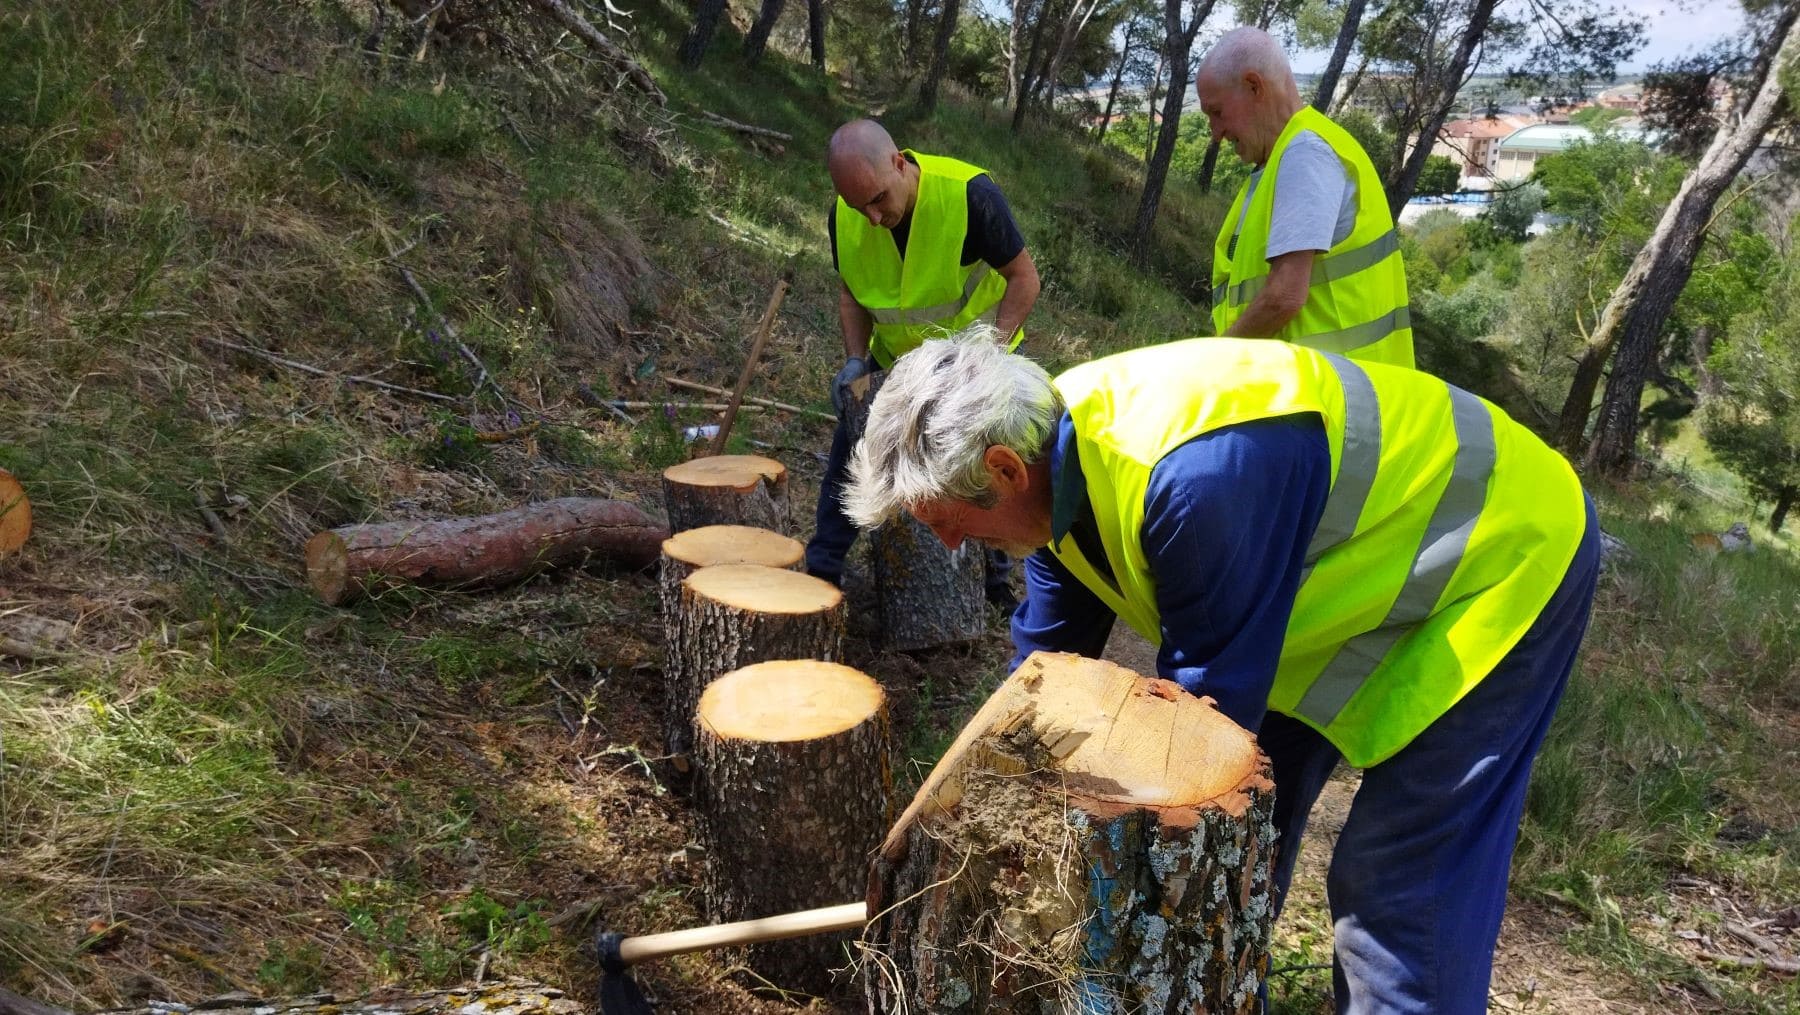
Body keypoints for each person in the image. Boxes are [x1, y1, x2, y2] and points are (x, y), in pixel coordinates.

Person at [842, 328, 1600, 1015]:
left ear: (1003, 469)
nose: (948, 547)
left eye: (945, 522)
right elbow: (1037, 678)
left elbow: (1199, 731)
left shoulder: (1190, 481)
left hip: (1498, 558)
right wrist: (962, 812)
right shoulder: (1050, 461)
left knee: (1396, 887)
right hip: (1352, 589)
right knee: (1245, 851)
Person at [807, 118, 1041, 608]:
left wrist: (987, 358)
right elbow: (851, 292)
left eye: (877, 200)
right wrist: (855, 360)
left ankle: (995, 586)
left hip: (975, 365)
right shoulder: (846, 215)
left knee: (982, 475)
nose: (871, 216)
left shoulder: (969, 195)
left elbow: (1023, 278)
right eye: (858, 207)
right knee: (853, 457)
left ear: (899, 163)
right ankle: (821, 571)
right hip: (897, 359)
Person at [1197, 27, 1413, 368]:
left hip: (1330, 402)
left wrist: (1213, 365)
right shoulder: (1282, 158)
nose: (1215, 132)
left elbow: (1284, 296)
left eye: (1217, 112)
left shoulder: (1305, 154)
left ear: (1254, 87)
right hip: (1320, 391)